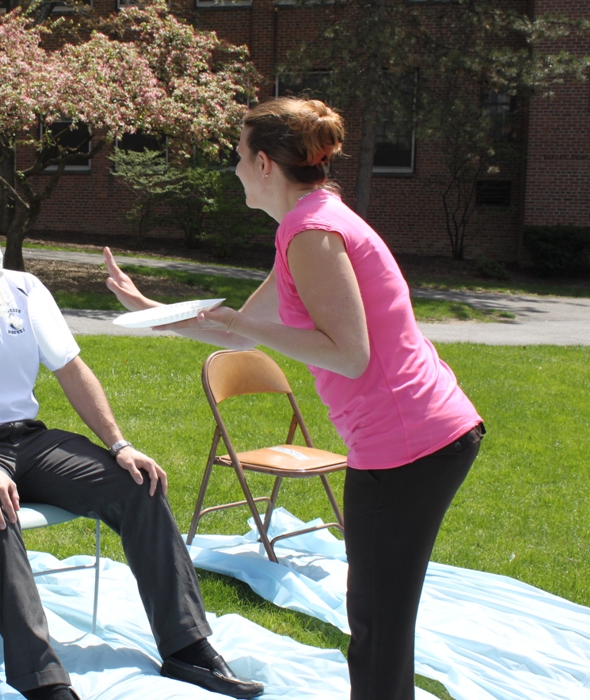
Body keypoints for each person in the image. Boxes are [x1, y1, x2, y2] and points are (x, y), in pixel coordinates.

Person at [104, 97, 484, 700]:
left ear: (262, 164)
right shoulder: (307, 223)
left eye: (236, 154)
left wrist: (242, 326)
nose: (232, 168)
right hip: (415, 436)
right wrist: (152, 313)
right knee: (378, 620)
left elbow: (348, 353)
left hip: (409, 443)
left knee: (378, 625)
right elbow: (237, 325)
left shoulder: (311, 232)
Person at [0, 194, 265, 700]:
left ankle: (187, 648)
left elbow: (73, 372)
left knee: (139, 486)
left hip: (27, 439)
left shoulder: (24, 290)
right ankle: (44, 682)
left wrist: (120, 444)